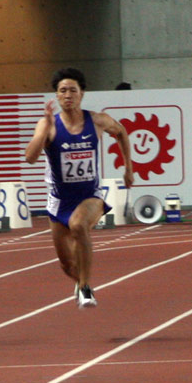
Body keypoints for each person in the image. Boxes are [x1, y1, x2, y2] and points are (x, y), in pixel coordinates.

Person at [25, 67, 134, 309]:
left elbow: (121, 132)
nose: (67, 95)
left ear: (82, 94)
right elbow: (30, 157)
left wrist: (128, 168)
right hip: (59, 201)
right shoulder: (48, 125)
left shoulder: (96, 120)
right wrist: (42, 131)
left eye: (72, 90)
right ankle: (79, 281)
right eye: (62, 91)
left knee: (78, 225)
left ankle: (85, 287)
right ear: (56, 95)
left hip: (89, 196)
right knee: (67, 265)